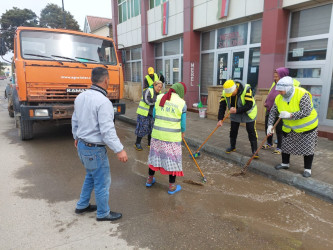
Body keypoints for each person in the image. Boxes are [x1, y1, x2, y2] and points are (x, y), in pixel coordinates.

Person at [72, 67, 128, 221]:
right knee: (102, 181)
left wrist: (76, 136)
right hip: (94, 149)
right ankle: (103, 213)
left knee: (90, 176)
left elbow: (75, 120)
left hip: (83, 145)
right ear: (106, 80)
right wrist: (119, 150)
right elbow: (107, 131)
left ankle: (82, 205)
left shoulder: (80, 97)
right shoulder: (103, 102)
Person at [267, 76, 318, 178]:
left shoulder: (302, 94)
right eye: (279, 91)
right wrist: (270, 125)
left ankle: (307, 169)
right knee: (285, 146)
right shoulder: (279, 98)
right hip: (289, 127)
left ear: (288, 89)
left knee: (307, 148)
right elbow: (273, 112)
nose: (280, 93)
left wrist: (291, 115)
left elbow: (306, 111)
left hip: (307, 127)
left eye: (281, 91)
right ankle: (285, 163)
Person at [146, 82, 187, 194]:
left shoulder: (159, 97)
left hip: (157, 135)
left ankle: (149, 180)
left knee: (155, 157)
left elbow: (154, 115)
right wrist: (182, 132)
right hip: (171, 138)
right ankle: (172, 186)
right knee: (172, 160)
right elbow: (183, 123)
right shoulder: (182, 103)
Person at [217, 80, 259, 158]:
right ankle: (232, 146)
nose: (230, 95)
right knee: (233, 130)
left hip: (248, 112)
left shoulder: (246, 89)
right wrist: (220, 119)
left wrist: (237, 110)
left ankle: (254, 151)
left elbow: (249, 105)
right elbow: (222, 106)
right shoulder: (225, 92)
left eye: (231, 93)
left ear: (235, 89)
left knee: (251, 130)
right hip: (234, 112)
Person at [263, 67, 300, 154]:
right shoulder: (275, 83)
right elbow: (270, 94)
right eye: (274, 76)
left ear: (283, 76)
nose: (275, 78)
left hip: (281, 112)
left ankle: (280, 147)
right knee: (268, 127)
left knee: (279, 130)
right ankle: (269, 143)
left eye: (277, 76)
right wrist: (266, 102)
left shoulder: (290, 86)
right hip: (270, 109)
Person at [134, 81, 163, 150]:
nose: (159, 88)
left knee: (151, 129)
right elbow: (148, 101)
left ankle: (150, 144)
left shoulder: (160, 94)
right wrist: (157, 101)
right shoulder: (148, 90)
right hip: (144, 113)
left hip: (152, 114)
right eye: (158, 86)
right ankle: (137, 143)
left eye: (161, 87)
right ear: (154, 85)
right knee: (142, 128)